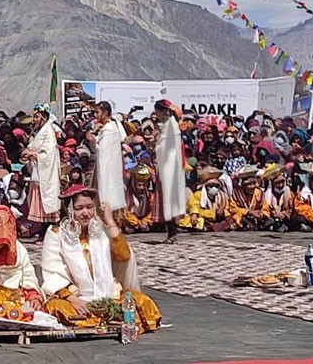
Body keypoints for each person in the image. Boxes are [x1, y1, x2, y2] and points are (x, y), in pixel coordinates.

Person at [41, 185, 161, 332]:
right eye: (79, 208)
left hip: (109, 296)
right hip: (75, 298)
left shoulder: (101, 229)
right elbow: (52, 273)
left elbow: (123, 256)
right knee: (56, 308)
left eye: (89, 207)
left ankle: (102, 319)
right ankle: (107, 320)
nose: (86, 213)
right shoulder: (56, 234)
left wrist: (110, 221)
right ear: (69, 210)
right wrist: (74, 301)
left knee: (143, 302)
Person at [22, 103, 61, 243]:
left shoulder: (48, 131)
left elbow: (49, 153)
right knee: (40, 205)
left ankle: (46, 234)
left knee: (45, 204)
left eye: (37, 117)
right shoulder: (40, 131)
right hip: (38, 172)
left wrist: (33, 154)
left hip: (45, 174)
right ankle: (42, 234)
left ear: (44, 117)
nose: (35, 120)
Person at [152, 100, 187, 243]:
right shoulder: (169, 125)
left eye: (157, 112)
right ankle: (171, 231)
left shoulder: (170, 126)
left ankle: (172, 232)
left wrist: (156, 145)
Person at [89, 101, 126, 212]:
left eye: (97, 112)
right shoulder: (108, 127)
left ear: (105, 113)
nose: (95, 115)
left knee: (106, 193)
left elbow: (104, 151)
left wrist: (93, 140)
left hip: (107, 168)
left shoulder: (109, 129)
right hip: (104, 168)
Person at [179, 167, 230, 232]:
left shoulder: (222, 196)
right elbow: (195, 206)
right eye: (211, 185)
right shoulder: (199, 194)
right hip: (204, 217)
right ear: (206, 186)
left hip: (219, 218)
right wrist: (195, 214)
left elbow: (228, 209)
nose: (214, 188)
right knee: (195, 220)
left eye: (216, 186)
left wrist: (222, 213)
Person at [228, 165, 269, 231]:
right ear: (244, 185)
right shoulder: (236, 193)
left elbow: (265, 209)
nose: (252, 186)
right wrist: (248, 212)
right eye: (249, 184)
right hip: (242, 216)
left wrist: (260, 214)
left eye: (254, 183)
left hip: (256, 218)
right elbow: (233, 208)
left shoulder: (259, 193)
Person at [262, 165, 293, 232]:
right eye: (277, 183)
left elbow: (291, 208)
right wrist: (273, 212)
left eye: (282, 182)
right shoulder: (268, 194)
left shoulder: (289, 192)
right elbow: (266, 208)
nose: (280, 185)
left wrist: (284, 214)